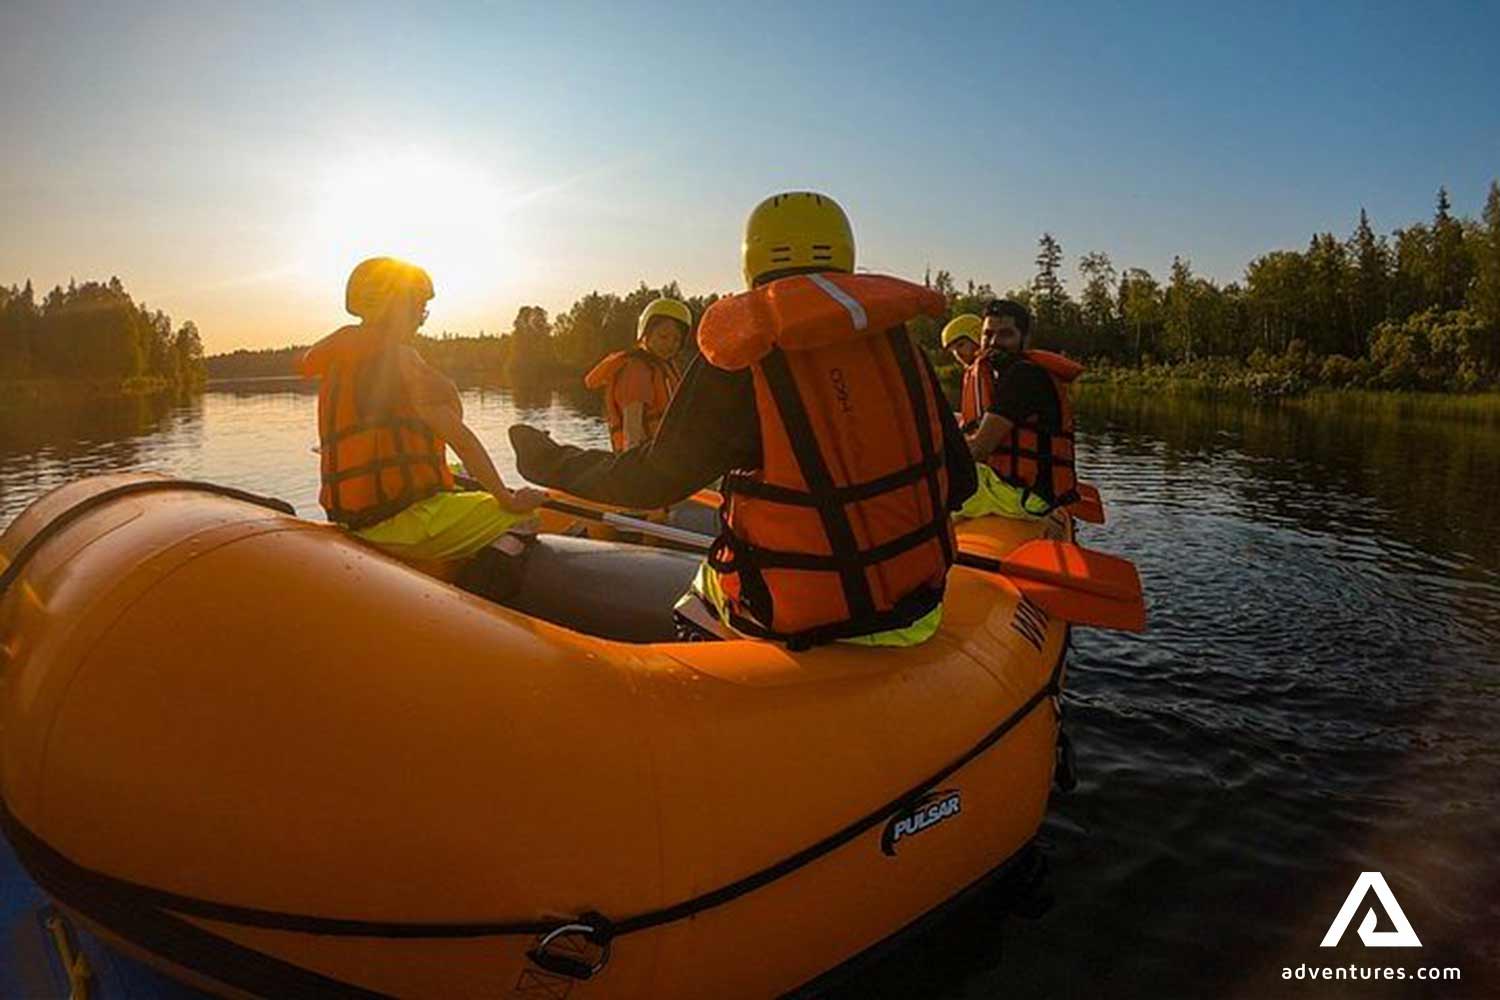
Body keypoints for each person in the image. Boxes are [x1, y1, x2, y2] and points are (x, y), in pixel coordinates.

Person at [511, 192, 977, 649]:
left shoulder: (744, 350)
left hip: (800, 617)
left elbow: (650, 484)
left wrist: (549, 460)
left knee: (693, 607)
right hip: (920, 607)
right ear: (844, 255)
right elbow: (961, 482)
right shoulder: (900, 348)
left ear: (752, 261)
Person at [298, 257, 545, 567]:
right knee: (524, 518)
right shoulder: (402, 361)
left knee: (458, 471)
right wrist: (507, 499)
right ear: (395, 306)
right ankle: (477, 593)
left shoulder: (339, 361)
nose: (421, 319)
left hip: (352, 517)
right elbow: (462, 439)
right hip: (399, 523)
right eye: (418, 308)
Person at [960, 298, 1082, 519]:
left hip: (1025, 499)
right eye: (987, 334)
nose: (994, 342)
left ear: (1024, 340)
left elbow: (979, 450)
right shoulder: (1004, 377)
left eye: (1006, 334)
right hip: (1012, 490)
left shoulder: (1024, 377)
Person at [584, 297, 689, 452]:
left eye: (676, 340)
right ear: (645, 333)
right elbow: (632, 427)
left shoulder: (666, 367)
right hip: (645, 459)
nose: (670, 344)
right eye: (663, 336)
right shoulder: (636, 370)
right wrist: (635, 463)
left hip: (669, 454)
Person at [939, 313, 989, 432]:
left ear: (977, 337)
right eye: (953, 351)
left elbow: (981, 419)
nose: (958, 354)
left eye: (961, 345)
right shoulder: (972, 371)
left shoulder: (984, 367)